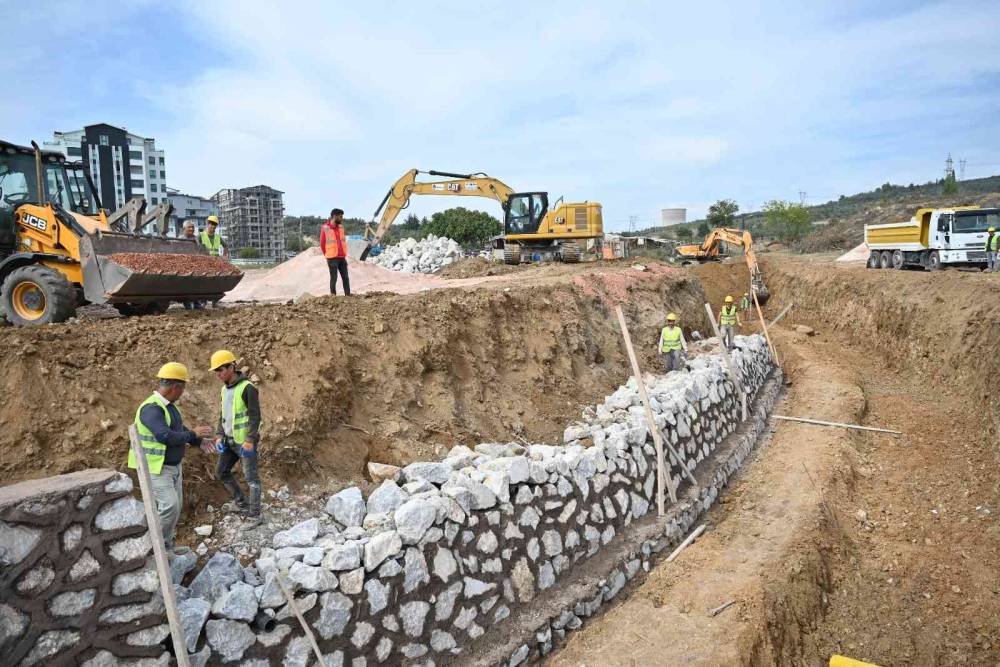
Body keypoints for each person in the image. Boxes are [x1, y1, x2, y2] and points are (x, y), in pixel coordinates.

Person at [129, 362, 214, 555]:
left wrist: (197, 441)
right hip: (156, 468)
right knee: (170, 506)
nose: (182, 392)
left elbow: (178, 430)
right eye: (183, 388)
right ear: (176, 386)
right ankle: (153, 547)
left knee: (174, 509)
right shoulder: (151, 408)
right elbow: (165, 436)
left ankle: (167, 545)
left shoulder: (170, 408)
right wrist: (194, 433)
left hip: (173, 467)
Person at [209, 350, 263, 518]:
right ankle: (242, 503)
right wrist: (219, 435)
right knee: (221, 472)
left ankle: (255, 514)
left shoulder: (248, 388)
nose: (218, 374)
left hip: (244, 442)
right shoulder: (224, 390)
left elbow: (255, 417)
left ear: (232, 367)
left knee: (251, 478)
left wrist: (250, 439)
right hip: (229, 441)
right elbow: (223, 415)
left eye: (220, 370)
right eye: (216, 371)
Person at [320, 208, 351, 295]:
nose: (342, 218)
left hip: (342, 257)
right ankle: (333, 296)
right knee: (334, 278)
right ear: (335, 216)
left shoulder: (341, 227)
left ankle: (348, 295)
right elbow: (322, 243)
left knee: (346, 278)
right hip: (332, 258)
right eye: (340, 217)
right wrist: (327, 254)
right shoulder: (325, 228)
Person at [181, 221, 203, 310]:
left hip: (195, 264)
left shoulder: (196, 238)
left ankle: (197, 303)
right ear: (184, 229)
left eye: (193, 227)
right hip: (184, 265)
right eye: (189, 227)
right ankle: (187, 304)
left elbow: (200, 249)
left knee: (196, 285)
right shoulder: (180, 239)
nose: (191, 229)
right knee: (186, 285)